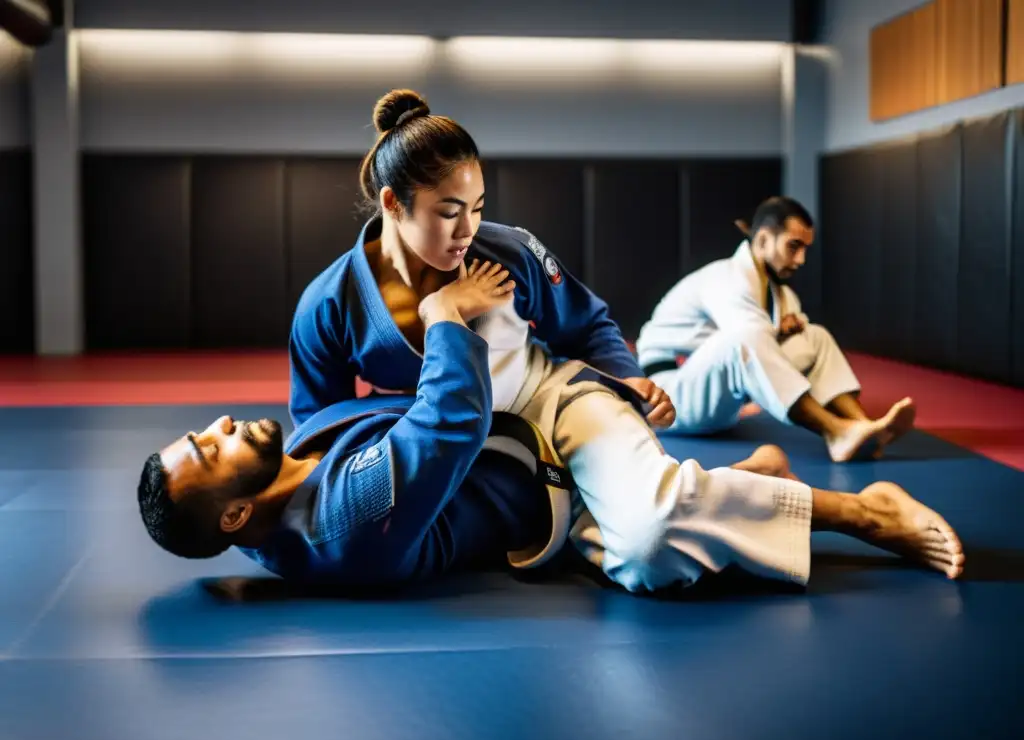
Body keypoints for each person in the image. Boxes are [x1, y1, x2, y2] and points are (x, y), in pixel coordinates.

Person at [277, 87, 961, 593]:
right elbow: (325, 430)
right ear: (394, 204)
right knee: (621, 554)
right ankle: (738, 483)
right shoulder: (329, 305)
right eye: (448, 213)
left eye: (477, 209)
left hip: (559, 403)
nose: (466, 231)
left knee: (652, 542)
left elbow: (591, 324)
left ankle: (864, 511)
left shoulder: (507, 253)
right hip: (468, 456)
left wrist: (626, 381)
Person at [136, 271, 964, 589]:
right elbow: (449, 425)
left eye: (201, 432)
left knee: (654, 528)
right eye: (210, 450)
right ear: (235, 513)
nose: (217, 427)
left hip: (542, 424)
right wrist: (442, 313)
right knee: (647, 555)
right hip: (536, 471)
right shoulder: (339, 517)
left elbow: (319, 408)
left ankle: (851, 509)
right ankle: (815, 491)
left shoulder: (263, 496)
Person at [634, 196, 917, 463]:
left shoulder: (781, 294)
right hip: (670, 398)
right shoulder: (724, 278)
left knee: (815, 337)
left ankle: (863, 427)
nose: (800, 259)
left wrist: (781, 332)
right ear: (764, 239)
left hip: (720, 404)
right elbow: (747, 340)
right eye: (793, 246)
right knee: (747, 336)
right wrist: (776, 331)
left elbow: (771, 345)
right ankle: (836, 431)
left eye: (805, 248)